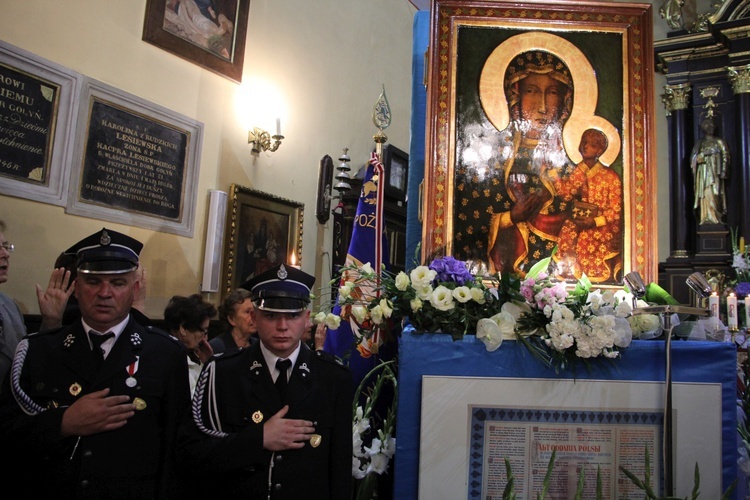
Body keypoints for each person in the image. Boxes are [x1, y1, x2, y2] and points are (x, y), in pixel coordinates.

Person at [0, 227, 191, 499]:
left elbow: (175, 450)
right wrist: (63, 421)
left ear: (134, 289)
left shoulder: (165, 353)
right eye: (93, 282)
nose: (105, 293)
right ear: (76, 288)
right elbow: (7, 433)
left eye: (118, 283)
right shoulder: (39, 350)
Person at [176, 263, 353, 499]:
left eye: (292, 316)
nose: (282, 327)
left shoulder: (333, 377)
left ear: (306, 318)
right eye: (271, 315)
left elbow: (339, 472)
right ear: (254, 316)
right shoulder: (223, 372)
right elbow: (191, 454)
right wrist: (258, 439)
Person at [485, 50, 577, 276]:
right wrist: (510, 217)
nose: (543, 106)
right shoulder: (495, 156)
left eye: (553, 92)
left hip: (559, 277)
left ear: (565, 100)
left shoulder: (573, 160)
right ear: (516, 96)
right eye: (531, 91)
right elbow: (469, 222)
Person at [0, 221, 73, 389]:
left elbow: (28, 362)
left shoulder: (10, 306)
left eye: (5, 246)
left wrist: (51, 321)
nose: (6, 254)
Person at [555, 128, 623, 282]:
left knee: (587, 237)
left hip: (603, 225)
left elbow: (616, 210)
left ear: (600, 150)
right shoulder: (580, 171)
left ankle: (592, 277)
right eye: (584, 142)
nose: (585, 147)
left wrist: (594, 221)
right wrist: (553, 175)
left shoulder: (610, 177)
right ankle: (569, 273)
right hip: (582, 219)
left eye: (592, 145)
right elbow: (566, 193)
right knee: (568, 229)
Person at [163, 294, 217, 396]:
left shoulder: (194, 359)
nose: (206, 338)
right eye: (203, 331)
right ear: (183, 328)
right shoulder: (168, 361)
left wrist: (208, 363)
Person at [690, 116, 729, 225]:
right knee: (705, 196)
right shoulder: (699, 143)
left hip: (715, 173)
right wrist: (701, 156)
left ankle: (717, 216)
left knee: (716, 193)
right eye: (708, 125)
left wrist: (724, 170)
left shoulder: (719, 141)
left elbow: (725, 156)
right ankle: (706, 217)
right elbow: (693, 159)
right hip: (703, 174)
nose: (710, 128)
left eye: (712, 125)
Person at [209, 287, 257, 354]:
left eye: (255, 311)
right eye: (247, 312)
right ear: (232, 319)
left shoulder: (257, 345)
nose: (254, 316)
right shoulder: (216, 347)